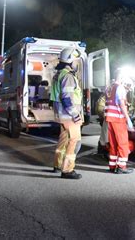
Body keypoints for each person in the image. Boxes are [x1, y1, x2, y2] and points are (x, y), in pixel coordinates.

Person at [50, 47, 84, 179]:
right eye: (75, 61)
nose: (76, 64)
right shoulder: (68, 76)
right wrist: (75, 115)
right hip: (69, 116)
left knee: (63, 141)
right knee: (74, 141)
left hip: (61, 115)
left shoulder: (58, 74)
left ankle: (57, 165)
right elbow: (66, 98)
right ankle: (67, 170)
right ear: (70, 61)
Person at [104, 73, 135, 174]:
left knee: (113, 143)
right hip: (118, 119)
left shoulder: (109, 87)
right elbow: (121, 104)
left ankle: (112, 165)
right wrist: (128, 120)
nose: (127, 89)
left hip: (109, 118)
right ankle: (121, 166)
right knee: (123, 143)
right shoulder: (120, 88)